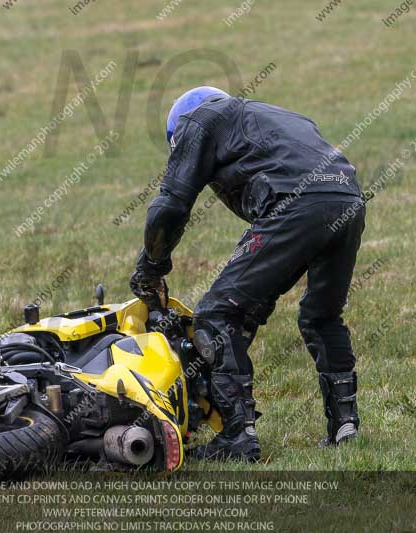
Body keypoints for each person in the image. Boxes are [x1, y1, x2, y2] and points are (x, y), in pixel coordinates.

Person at [130, 86, 365, 461]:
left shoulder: (197, 122)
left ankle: (238, 438)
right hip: (348, 198)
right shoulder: (277, 117)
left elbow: (170, 206)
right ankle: (345, 427)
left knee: (216, 314)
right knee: (321, 317)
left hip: (295, 202)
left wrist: (151, 265)